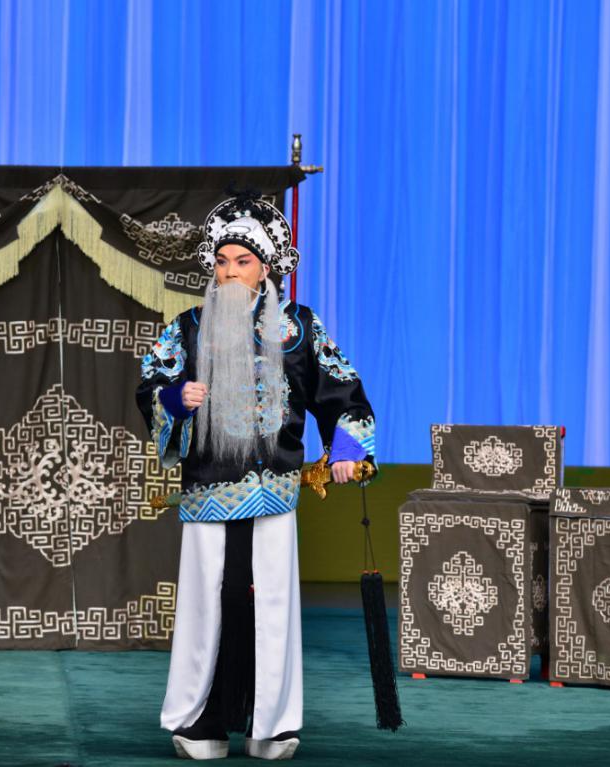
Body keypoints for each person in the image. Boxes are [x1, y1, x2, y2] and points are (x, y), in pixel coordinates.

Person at [136, 195, 377, 760]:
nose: (230, 272)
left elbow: (344, 392)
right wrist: (176, 398)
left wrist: (346, 450)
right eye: (222, 262)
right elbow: (150, 388)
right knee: (210, 605)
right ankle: (202, 722)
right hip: (208, 490)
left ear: (266, 268)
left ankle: (271, 724)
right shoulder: (188, 328)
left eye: (242, 262)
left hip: (274, 492)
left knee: (268, 605)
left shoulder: (299, 328)